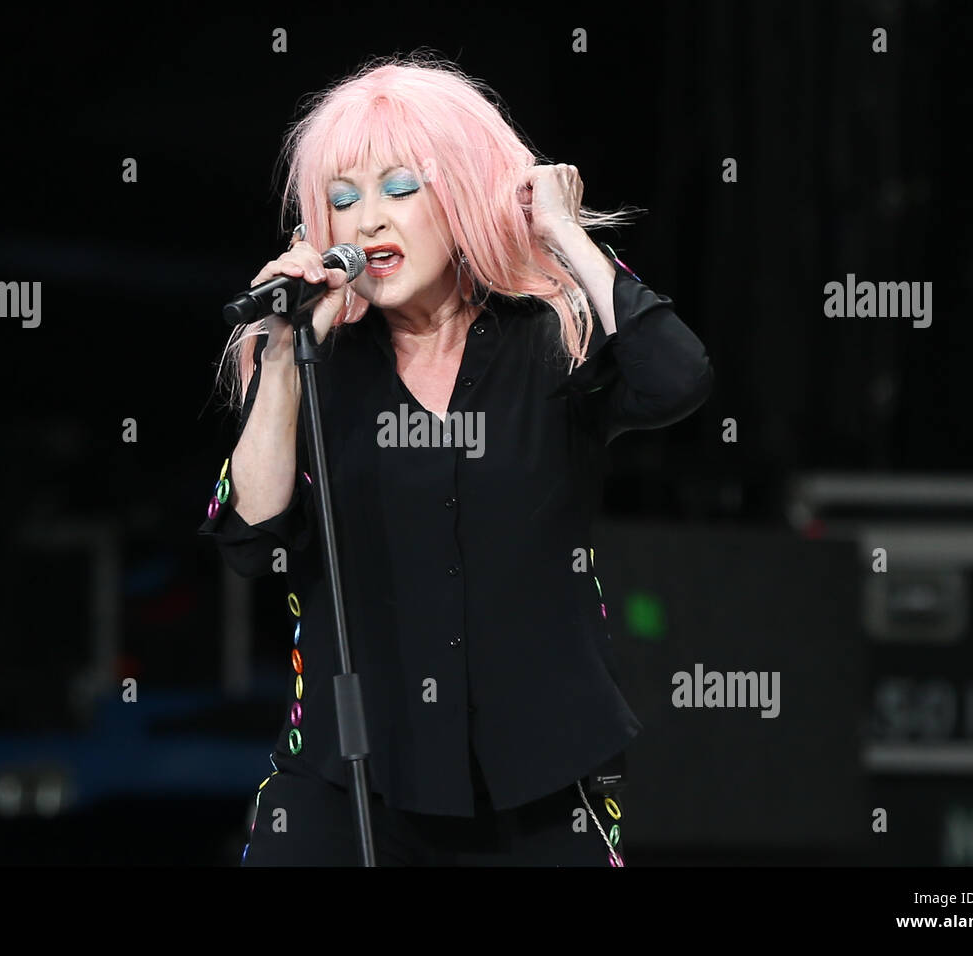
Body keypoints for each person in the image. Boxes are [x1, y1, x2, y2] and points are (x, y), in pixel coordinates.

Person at [200, 54, 713, 866]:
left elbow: (678, 378)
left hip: (541, 787)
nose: (368, 222)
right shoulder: (315, 367)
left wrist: (562, 236)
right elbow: (247, 538)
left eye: (400, 189)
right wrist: (279, 355)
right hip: (350, 783)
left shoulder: (548, 346)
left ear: (462, 196)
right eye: (343, 199)